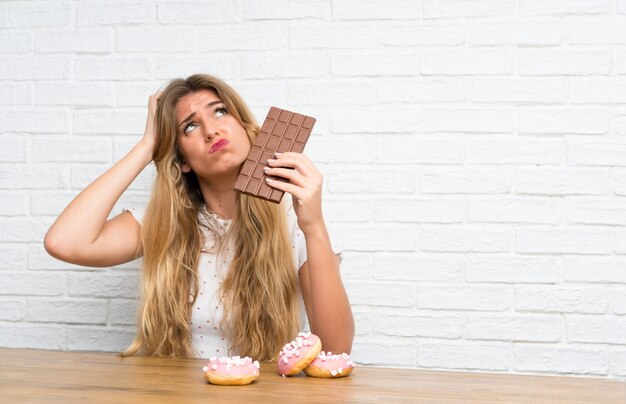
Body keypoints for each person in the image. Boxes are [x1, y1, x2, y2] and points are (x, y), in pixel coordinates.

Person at [44, 74, 354, 360]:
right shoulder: (163, 222)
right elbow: (65, 243)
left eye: (220, 111)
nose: (211, 130)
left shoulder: (296, 219)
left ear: (246, 128)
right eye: (189, 127)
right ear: (182, 160)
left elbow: (336, 348)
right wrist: (147, 145)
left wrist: (313, 227)